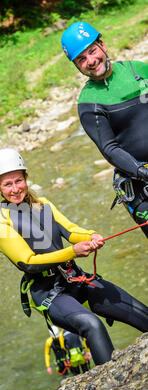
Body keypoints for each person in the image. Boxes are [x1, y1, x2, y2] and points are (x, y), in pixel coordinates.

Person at [0, 148, 148, 366]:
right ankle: (110, 382)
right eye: (8, 184)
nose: (16, 189)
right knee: (92, 325)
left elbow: (71, 231)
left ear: (26, 178)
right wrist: (72, 252)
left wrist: (90, 235)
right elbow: (28, 262)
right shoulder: (2, 223)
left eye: (19, 181)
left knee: (135, 309)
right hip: (48, 293)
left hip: (74, 277)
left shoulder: (43, 205)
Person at [61, 22, 148, 237]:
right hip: (140, 186)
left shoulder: (138, 69)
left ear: (103, 46)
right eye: (81, 59)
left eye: (92, 51)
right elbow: (109, 148)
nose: (91, 61)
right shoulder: (88, 102)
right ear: (76, 66)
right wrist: (143, 172)